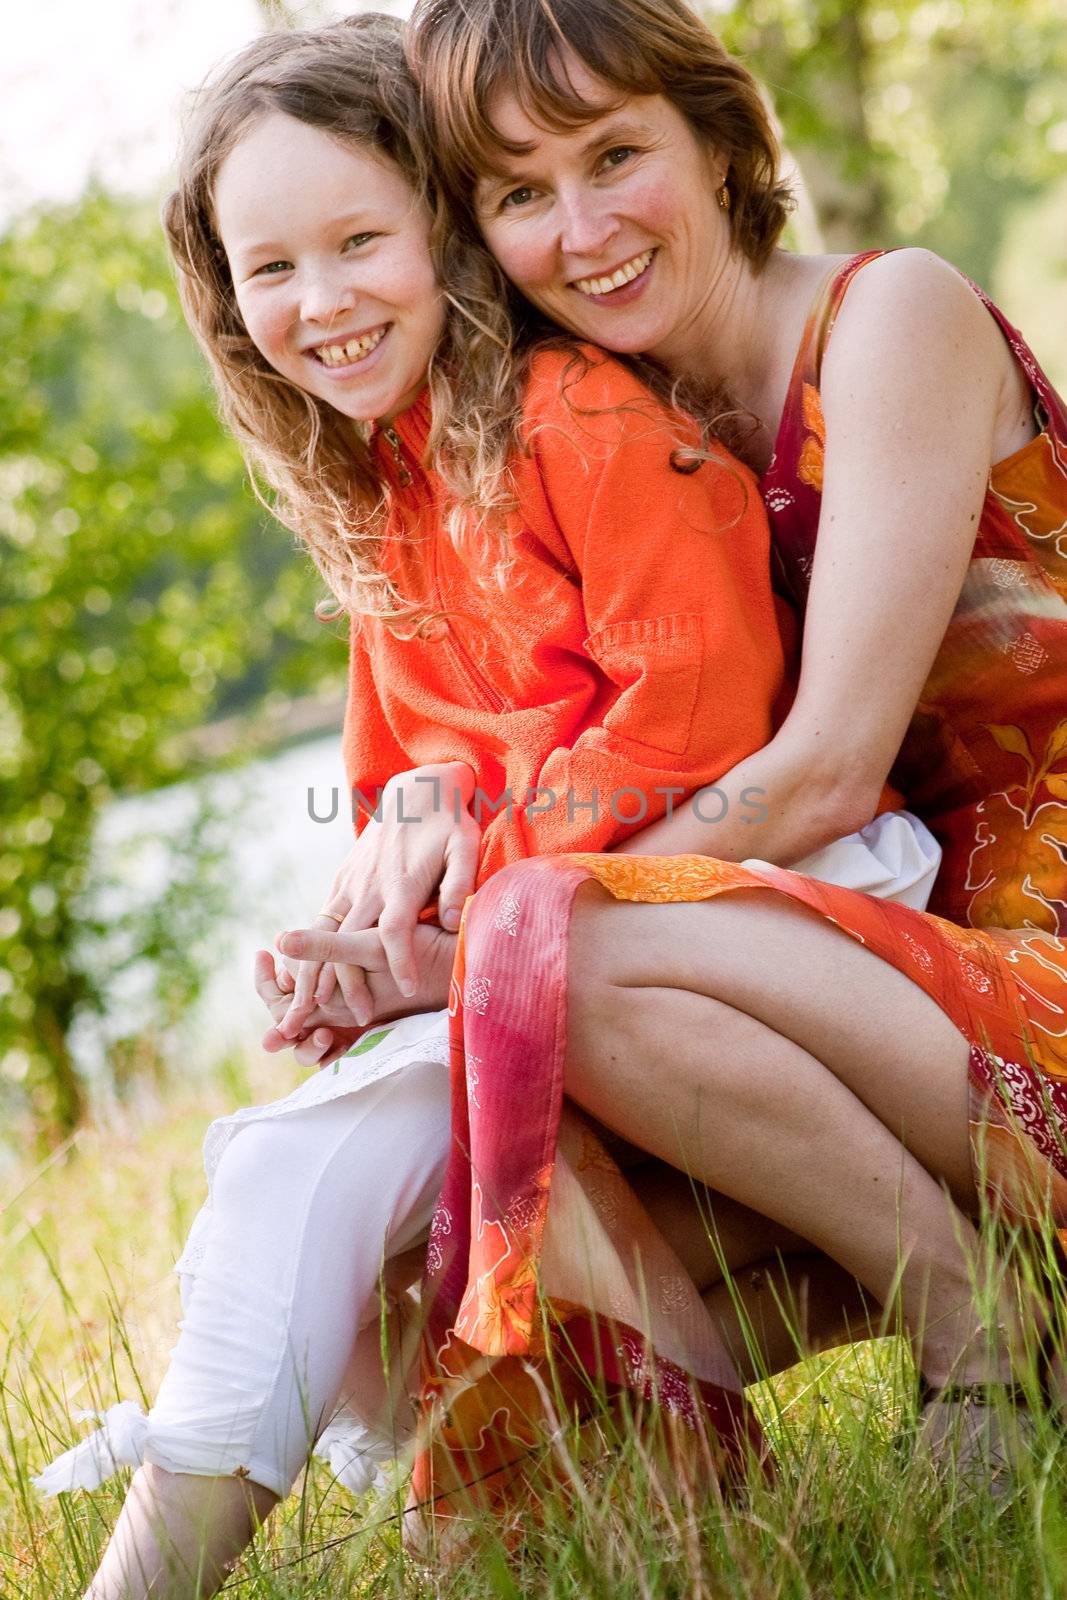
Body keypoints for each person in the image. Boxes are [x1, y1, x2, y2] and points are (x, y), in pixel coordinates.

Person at [35, 13, 929, 1593]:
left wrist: (473, 878)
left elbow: (702, 718)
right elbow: (399, 789)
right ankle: (265, 1433)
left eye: (358, 240)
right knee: (340, 1211)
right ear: (223, 302)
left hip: (761, 902)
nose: (318, 303)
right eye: (270, 270)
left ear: (442, 233)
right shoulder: (387, 497)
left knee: (299, 1173)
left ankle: (172, 1524)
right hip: (586, 912)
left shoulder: (572, 419)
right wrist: (359, 933)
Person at [357, 0, 1067, 1475]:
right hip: (883, 956)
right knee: (486, 1256)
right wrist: (416, 862)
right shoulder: (599, 423)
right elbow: (511, 727)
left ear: (719, 134)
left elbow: (820, 767)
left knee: (563, 953)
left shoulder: (889, 318)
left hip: (1038, 936)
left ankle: (987, 1345)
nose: (582, 227)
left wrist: (505, 942)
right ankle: (683, 1481)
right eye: (516, 193)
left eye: (617, 154)